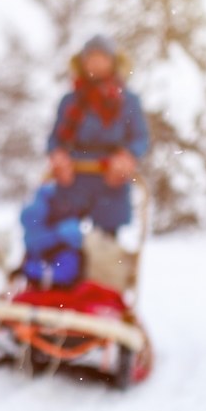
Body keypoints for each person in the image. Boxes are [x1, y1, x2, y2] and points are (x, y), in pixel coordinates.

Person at [19, 33, 150, 287]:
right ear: (82, 63)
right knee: (63, 235)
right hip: (73, 179)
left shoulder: (128, 101)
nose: (96, 64)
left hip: (111, 180)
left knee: (104, 241)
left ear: (113, 62)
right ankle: (58, 286)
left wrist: (126, 158)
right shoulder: (70, 101)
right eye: (91, 58)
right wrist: (59, 158)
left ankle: (102, 288)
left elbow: (139, 138)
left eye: (102, 58)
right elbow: (55, 139)